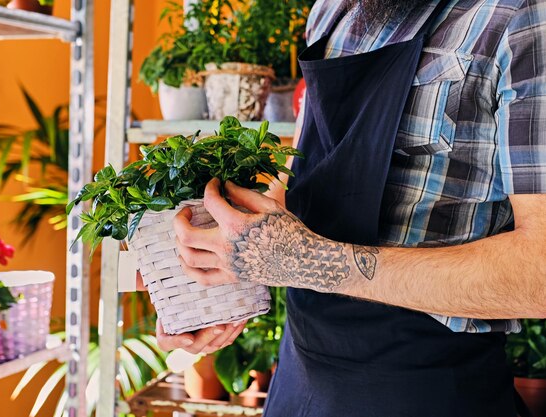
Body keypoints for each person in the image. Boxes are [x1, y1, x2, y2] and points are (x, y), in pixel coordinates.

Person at [153, 0, 546, 415]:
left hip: (424, 389)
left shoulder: (519, 18)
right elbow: (308, 168)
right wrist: (229, 289)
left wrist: (305, 261)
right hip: (299, 379)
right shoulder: (333, 10)